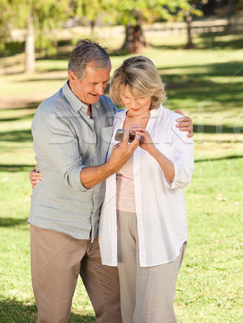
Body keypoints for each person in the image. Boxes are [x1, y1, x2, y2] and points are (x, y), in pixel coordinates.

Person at [28, 40, 192, 323]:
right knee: (58, 316)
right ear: (72, 76)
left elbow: (179, 169)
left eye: (105, 83)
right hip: (68, 225)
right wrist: (44, 170)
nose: (100, 90)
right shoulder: (61, 114)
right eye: (93, 83)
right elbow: (72, 171)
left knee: (127, 312)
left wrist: (174, 132)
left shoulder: (109, 108)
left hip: (113, 227)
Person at [99, 56, 194, 323]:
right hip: (119, 221)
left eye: (138, 98)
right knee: (129, 308)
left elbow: (183, 176)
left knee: (154, 311)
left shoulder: (175, 123)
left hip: (159, 223)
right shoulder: (114, 122)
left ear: (152, 90)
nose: (131, 104)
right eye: (126, 97)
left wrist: (151, 149)